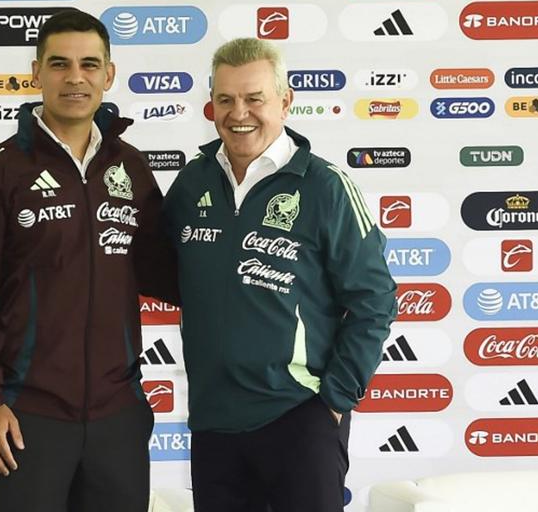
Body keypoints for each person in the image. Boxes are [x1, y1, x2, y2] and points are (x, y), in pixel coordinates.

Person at [0, 10, 172, 512]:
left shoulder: (131, 166)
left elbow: (169, 273)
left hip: (117, 419)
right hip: (25, 418)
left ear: (108, 75)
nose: (76, 77)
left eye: (90, 64)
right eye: (60, 64)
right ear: (36, 72)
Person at [162, 38, 397, 512]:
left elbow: (375, 299)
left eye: (254, 98)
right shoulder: (192, 183)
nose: (238, 112)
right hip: (213, 423)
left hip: (298, 415)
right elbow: (158, 272)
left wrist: (334, 399)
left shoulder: (325, 186)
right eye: (225, 99)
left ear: (285, 101)